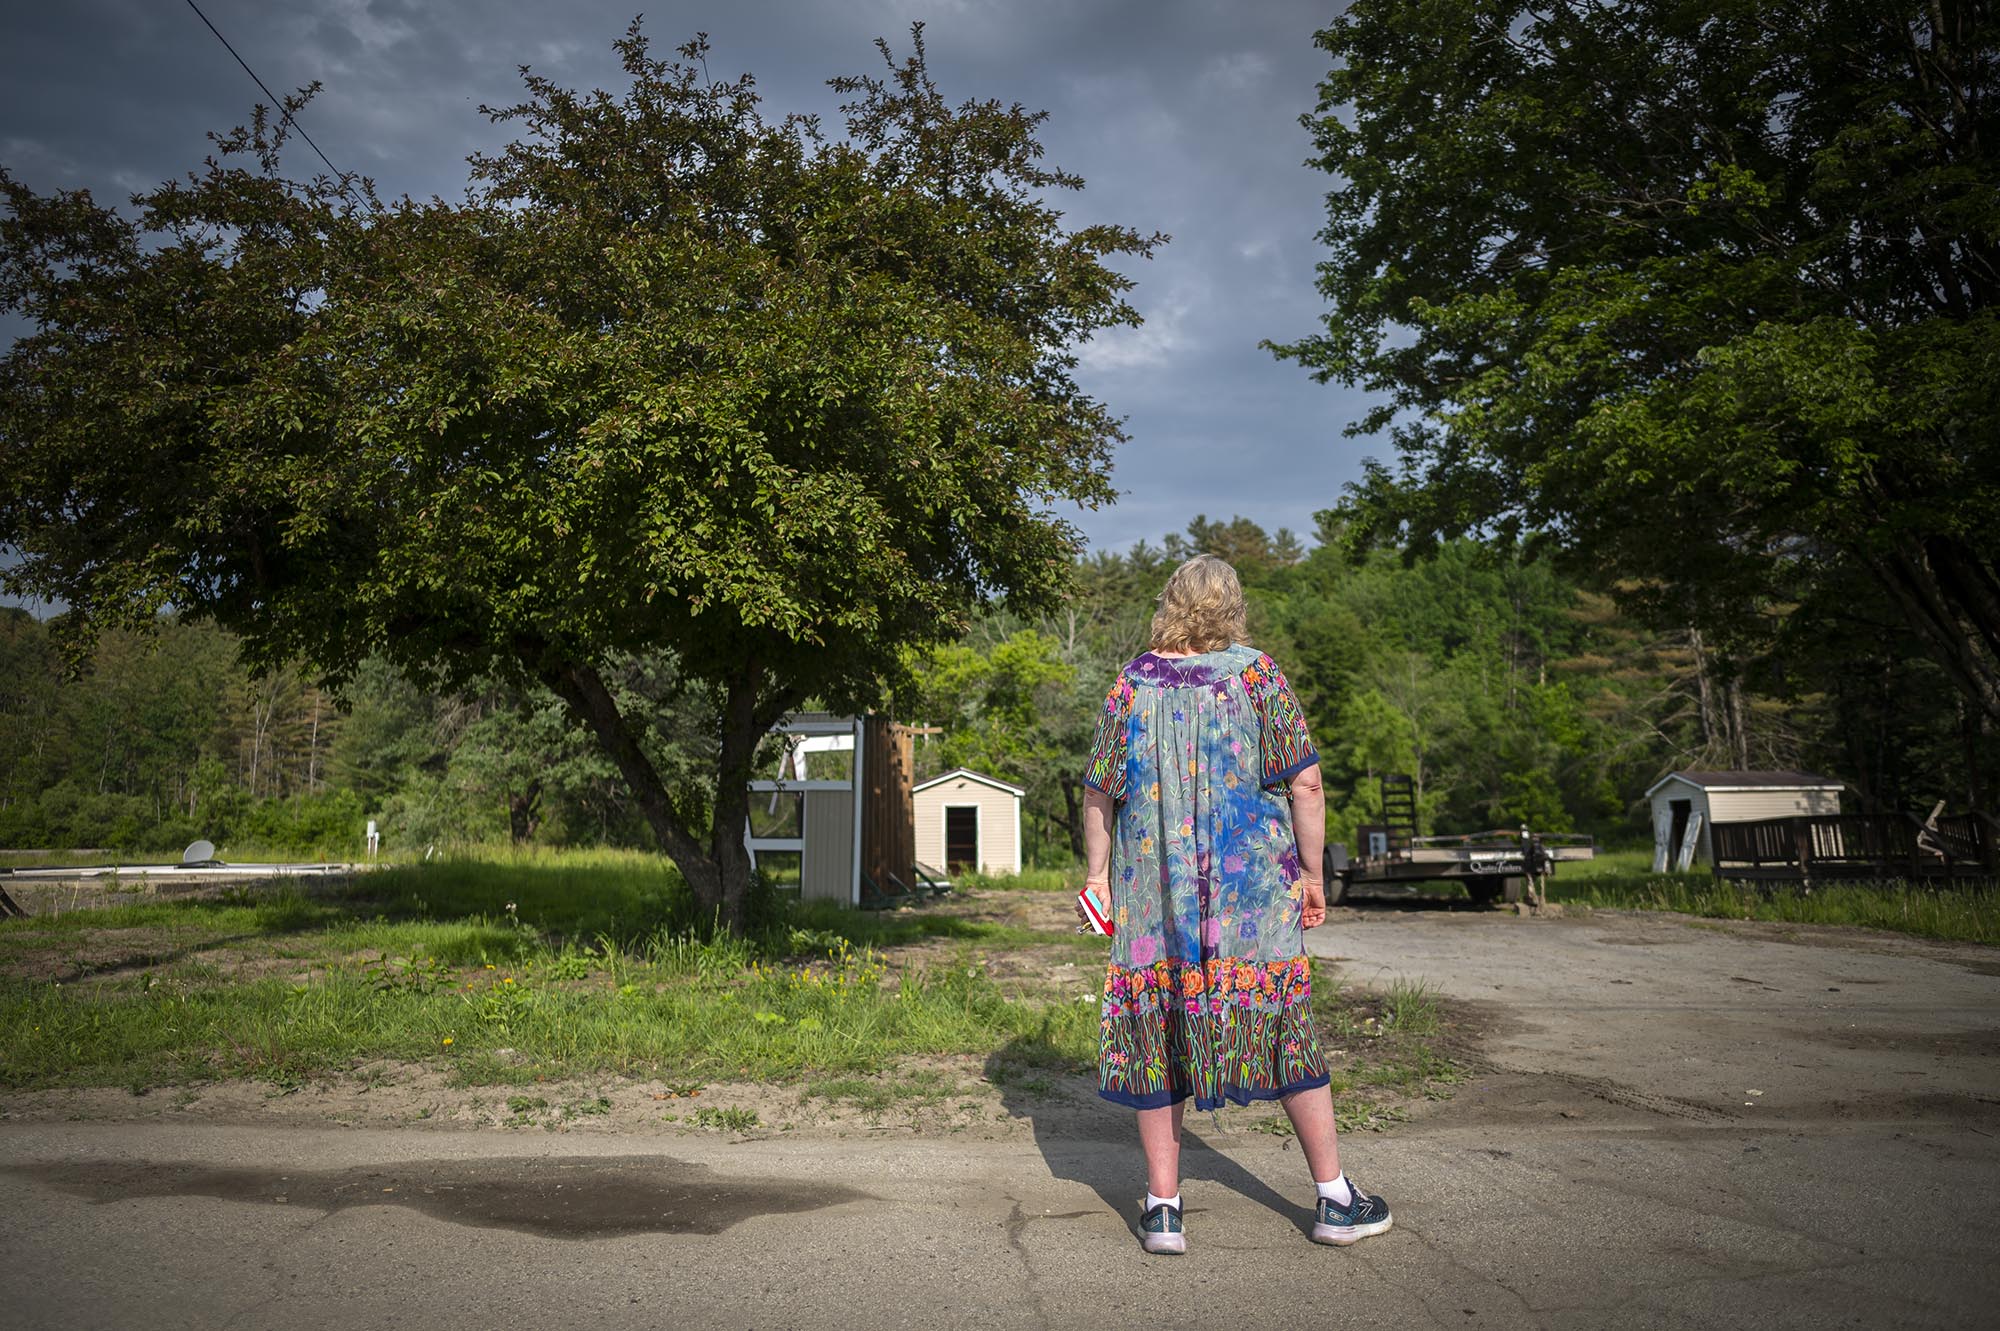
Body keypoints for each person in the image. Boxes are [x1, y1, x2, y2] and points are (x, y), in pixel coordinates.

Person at [1076, 554, 1392, 1255]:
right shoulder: (1259, 676)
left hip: (1155, 903)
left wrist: (1098, 875)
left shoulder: (1133, 683)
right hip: (1253, 901)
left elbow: (1099, 790)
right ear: (1233, 605)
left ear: (1170, 602)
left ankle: (1162, 1209)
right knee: (1285, 1028)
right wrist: (1314, 873)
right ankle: (1335, 1198)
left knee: (1159, 1037)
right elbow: (1305, 785)